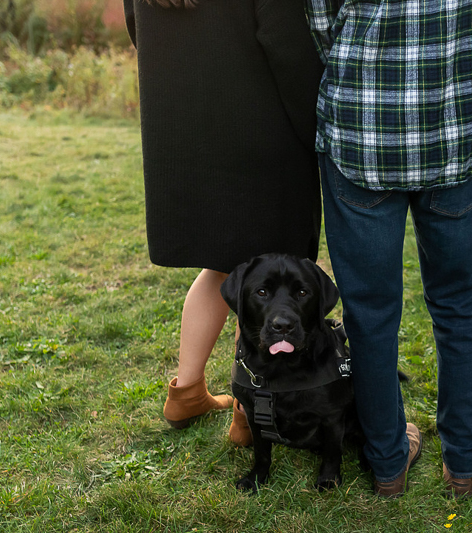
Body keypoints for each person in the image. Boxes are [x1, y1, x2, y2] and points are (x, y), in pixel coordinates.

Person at [304, 0, 472, 497]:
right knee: (461, 309)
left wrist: (353, 69)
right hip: (457, 138)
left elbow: (320, 20)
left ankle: (387, 464)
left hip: (362, 133)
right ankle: (463, 463)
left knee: (370, 314)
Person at [123, 0, 324, 444]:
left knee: (224, 264)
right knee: (265, 271)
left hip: (186, 124)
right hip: (259, 126)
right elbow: (287, 44)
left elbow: (138, 26)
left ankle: (186, 392)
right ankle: (249, 414)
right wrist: (317, 124)